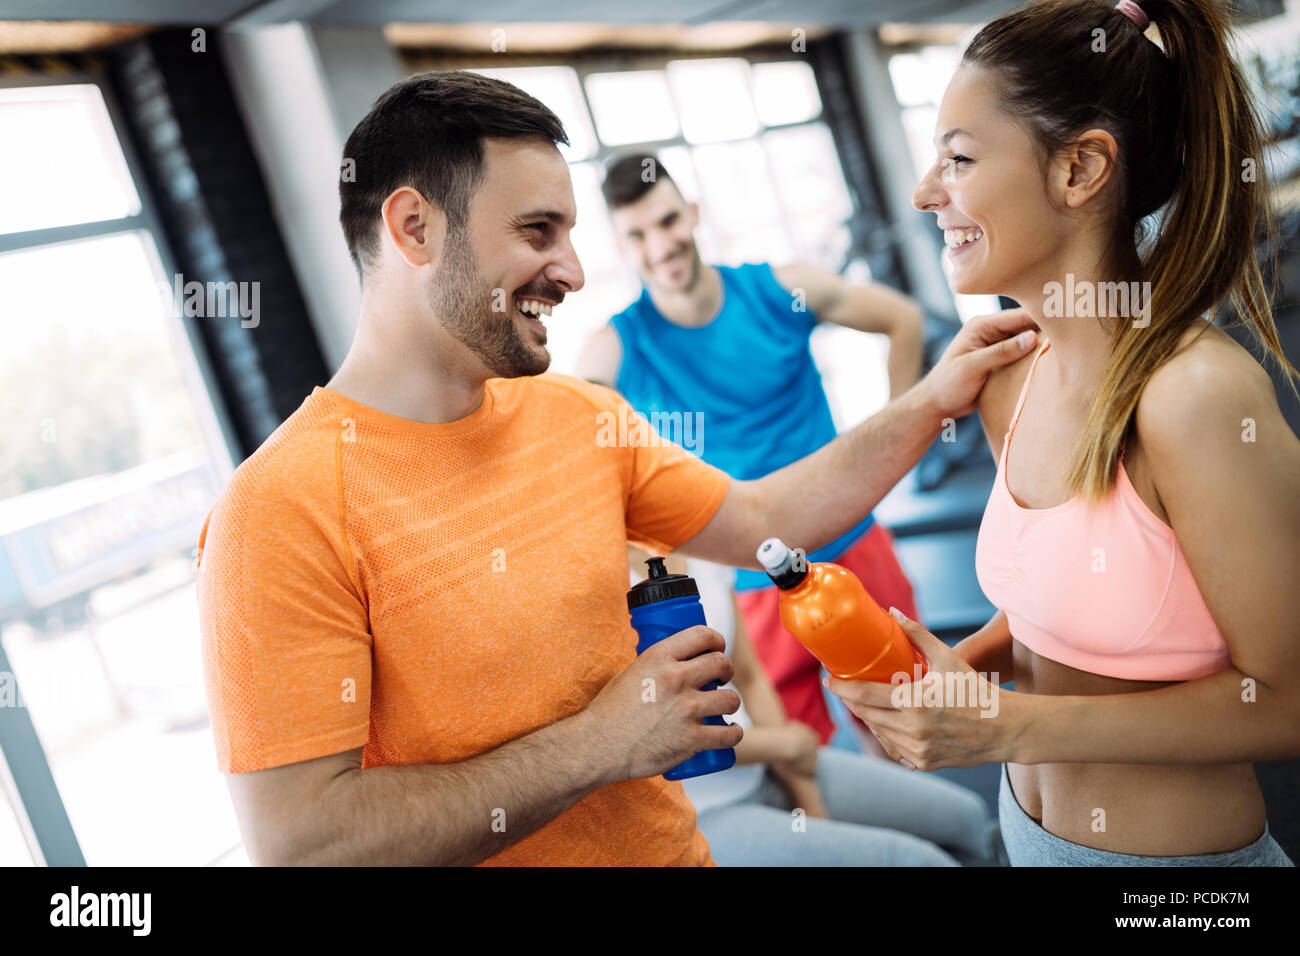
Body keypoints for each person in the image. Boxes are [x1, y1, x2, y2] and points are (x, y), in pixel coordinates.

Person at [196, 70, 1038, 867]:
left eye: (567, 232)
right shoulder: (277, 513)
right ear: (415, 228)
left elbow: (764, 518)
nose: (573, 270)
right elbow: (306, 844)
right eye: (537, 232)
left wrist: (932, 400)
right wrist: (602, 744)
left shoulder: (580, 417)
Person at [829, 0, 1300, 866]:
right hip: (1029, 836)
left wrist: (1008, 727)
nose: (925, 192)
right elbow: (1081, 601)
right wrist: (971, 667)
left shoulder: (1192, 397)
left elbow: (1287, 701)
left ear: (1080, 168)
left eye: (960, 159)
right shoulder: (1011, 378)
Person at [577, 154, 926, 753]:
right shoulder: (614, 348)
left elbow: (903, 319)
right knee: (802, 756)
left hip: (850, 549)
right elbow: (574, 442)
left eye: (666, 222)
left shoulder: (780, 290)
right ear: (620, 245)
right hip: (748, 580)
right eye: (638, 235)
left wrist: (893, 446)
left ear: (691, 213)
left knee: (909, 722)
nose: (659, 246)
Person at [666, 554, 1005, 866]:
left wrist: (804, 790)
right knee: (918, 861)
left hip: (769, 767)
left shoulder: (699, 555)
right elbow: (671, 734)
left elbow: (751, 677)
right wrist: (788, 746)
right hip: (700, 814)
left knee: (966, 816)